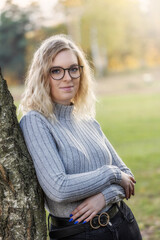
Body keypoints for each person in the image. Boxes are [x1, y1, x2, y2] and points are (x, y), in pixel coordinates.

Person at [19, 34, 142, 240]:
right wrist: (111, 175)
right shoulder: (35, 121)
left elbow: (127, 175)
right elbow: (59, 188)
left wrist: (105, 197)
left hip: (122, 223)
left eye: (73, 69)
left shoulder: (87, 120)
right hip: (79, 233)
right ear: (42, 76)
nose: (68, 77)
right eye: (56, 71)